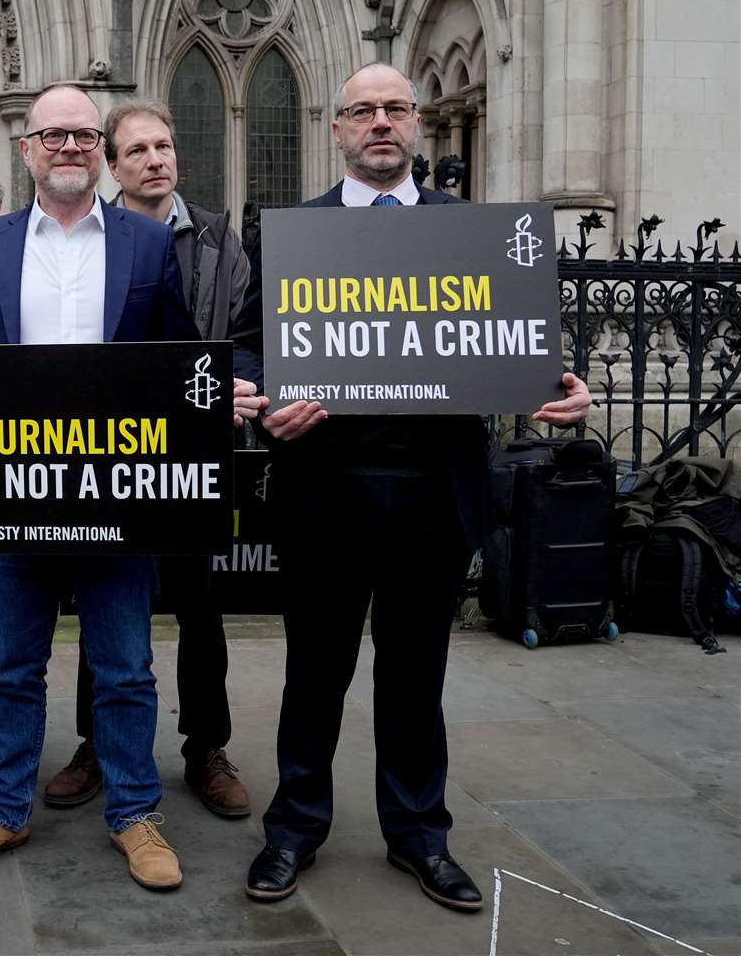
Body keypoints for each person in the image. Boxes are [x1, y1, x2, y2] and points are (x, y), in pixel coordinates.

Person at [244, 63, 592, 912]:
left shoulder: (465, 232)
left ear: (418, 121)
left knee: (415, 678)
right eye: (362, 111)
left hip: (433, 494)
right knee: (314, 675)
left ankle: (419, 836)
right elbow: (249, 349)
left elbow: (513, 344)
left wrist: (559, 387)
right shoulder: (297, 233)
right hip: (326, 491)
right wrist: (261, 404)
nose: (380, 124)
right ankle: (293, 829)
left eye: (395, 109)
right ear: (337, 130)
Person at [0, 84, 263, 891]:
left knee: (125, 668)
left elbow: (179, 352)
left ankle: (135, 814)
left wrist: (218, 395)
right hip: (13, 493)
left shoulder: (145, 245)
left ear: (94, 151)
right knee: (9, 667)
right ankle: (1, 808)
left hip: (118, 497)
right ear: (28, 149)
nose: (68, 148)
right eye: (53, 136)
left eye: (82, 135)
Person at [43, 99, 259, 819]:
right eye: (137, 151)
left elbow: (248, 328)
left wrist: (238, 381)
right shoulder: (89, 236)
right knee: (102, 597)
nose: (155, 160)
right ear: (111, 163)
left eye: (163, 147)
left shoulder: (224, 240)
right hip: (112, 452)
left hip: (196, 452)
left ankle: (206, 749)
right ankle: (97, 745)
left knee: (201, 607)